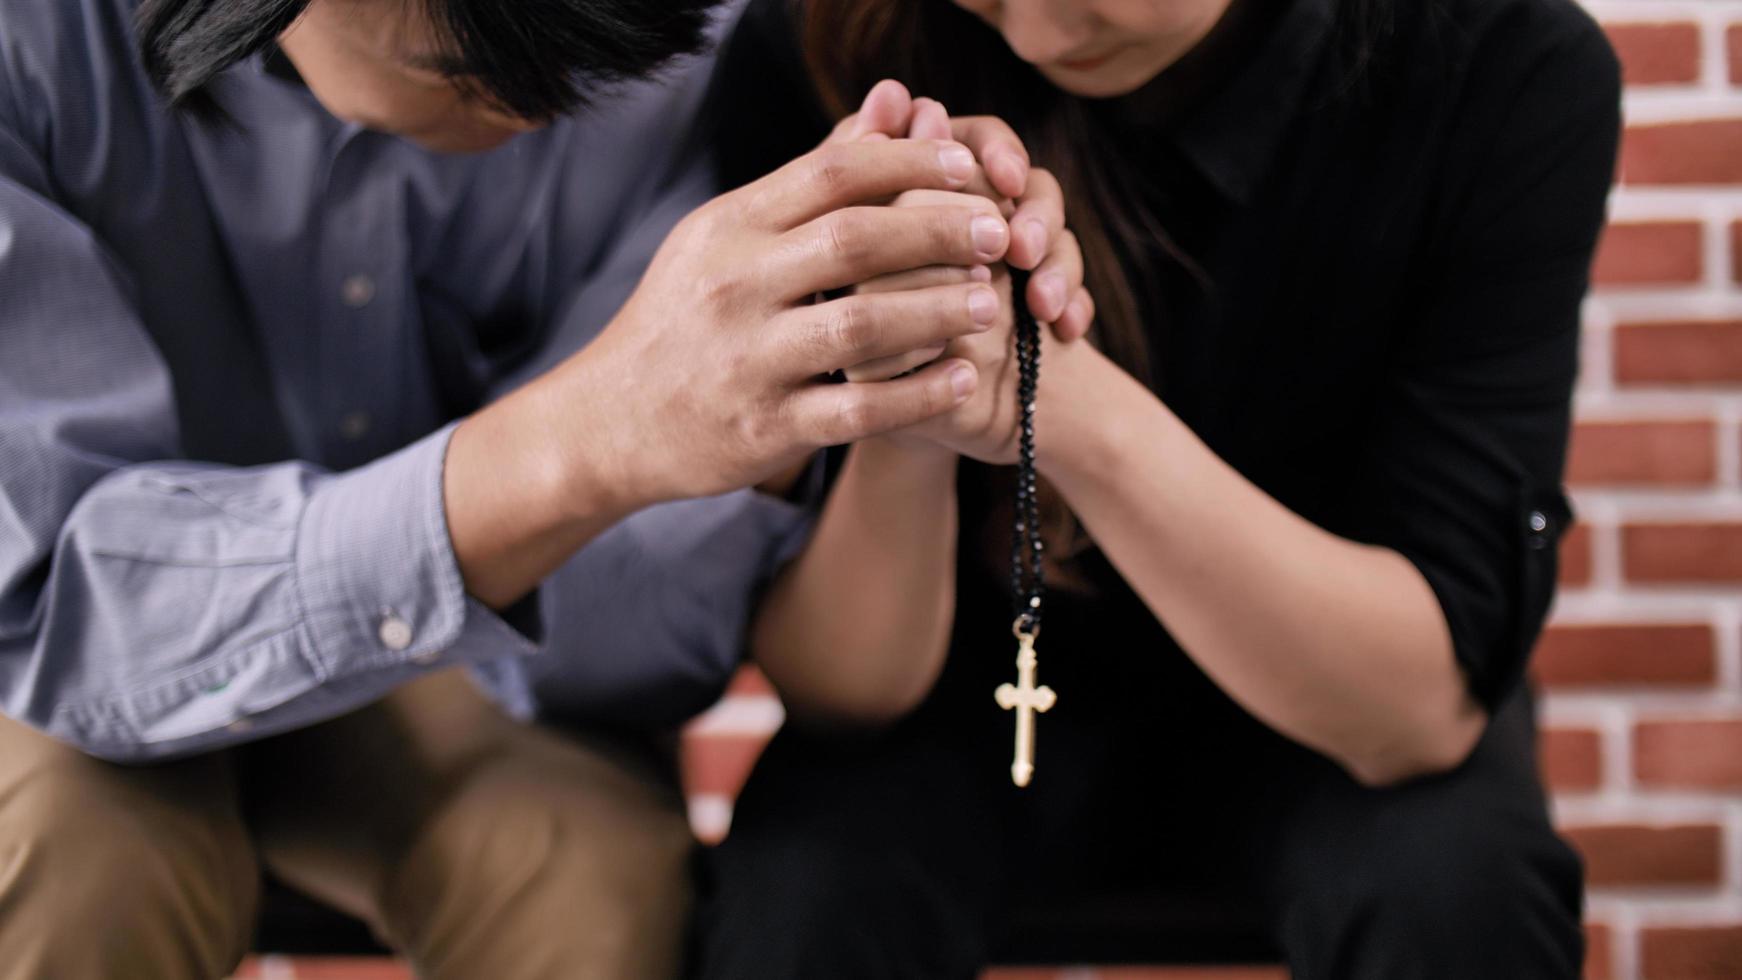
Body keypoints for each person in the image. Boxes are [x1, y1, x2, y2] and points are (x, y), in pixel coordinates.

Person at [0, 0, 1090, 976]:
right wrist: (577, 441)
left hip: (477, 677)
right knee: (81, 858)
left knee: (585, 872)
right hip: (53, 682)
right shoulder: (32, 41)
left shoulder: (680, 43)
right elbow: (51, 609)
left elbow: (611, 661)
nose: (539, 114)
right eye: (464, 66)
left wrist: (780, 403)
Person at [695, 0, 1621, 977]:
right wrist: (912, 379)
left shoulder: (1490, 57)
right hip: (946, 710)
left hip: (1330, 689)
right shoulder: (819, 42)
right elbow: (839, 691)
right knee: (796, 895)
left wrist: (1055, 398)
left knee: (1455, 886)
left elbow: (1414, 715)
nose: (1039, 39)